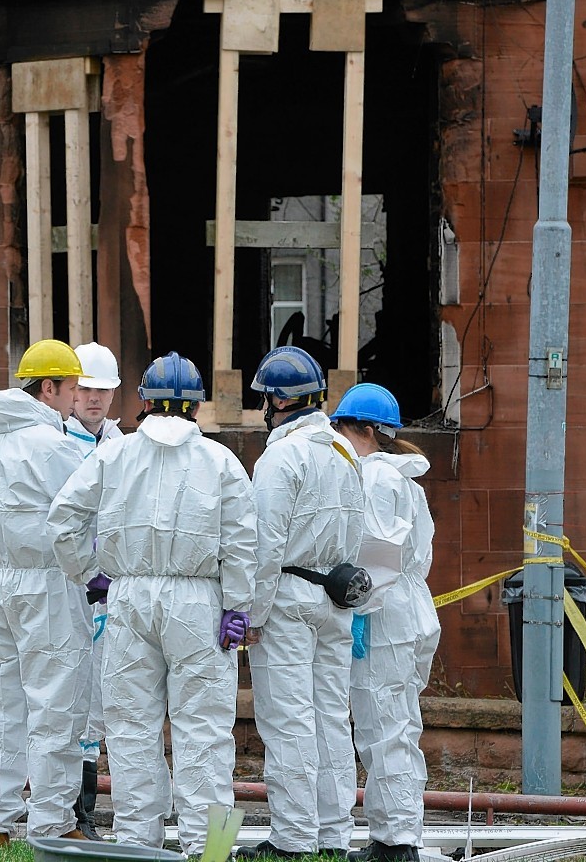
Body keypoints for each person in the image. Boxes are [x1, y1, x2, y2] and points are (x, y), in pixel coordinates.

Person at [48, 352, 258, 858]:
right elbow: (245, 541)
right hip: (200, 601)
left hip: (128, 597)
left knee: (130, 728)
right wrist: (239, 608)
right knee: (206, 732)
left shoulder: (113, 455)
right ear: (197, 405)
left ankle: (138, 846)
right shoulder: (220, 460)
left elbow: (63, 519)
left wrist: (91, 575)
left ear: (143, 401)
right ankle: (212, 851)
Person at [244, 346, 366, 861]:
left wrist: (250, 614)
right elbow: (359, 533)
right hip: (336, 598)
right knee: (332, 719)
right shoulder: (344, 453)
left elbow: (265, 546)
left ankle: (293, 838)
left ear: (278, 400)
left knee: (287, 718)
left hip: (289, 596)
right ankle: (333, 835)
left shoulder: (281, 456)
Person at [0, 339, 91, 847]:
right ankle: (53, 823)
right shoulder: (53, 446)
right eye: (71, 390)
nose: (75, 401)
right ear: (49, 387)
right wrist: (92, 569)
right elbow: (80, 516)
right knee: (55, 706)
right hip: (48, 585)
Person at [329, 384, 440, 862]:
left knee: (384, 728)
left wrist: (354, 611)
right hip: (408, 611)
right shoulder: (406, 481)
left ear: (366, 431)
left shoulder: (375, 479)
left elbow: (375, 562)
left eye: (343, 429)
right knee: (396, 726)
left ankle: (396, 844)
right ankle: (394, 835)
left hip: (384, 617)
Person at [66, 341, 123, 838]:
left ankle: (84, 811)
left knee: (103, 701)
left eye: (103, 390)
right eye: (85, 388)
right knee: (68, 700)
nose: (94, 398)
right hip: (66, 588)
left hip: (114, 591)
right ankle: (69, 812)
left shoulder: (123, 445)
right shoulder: (56, 442)